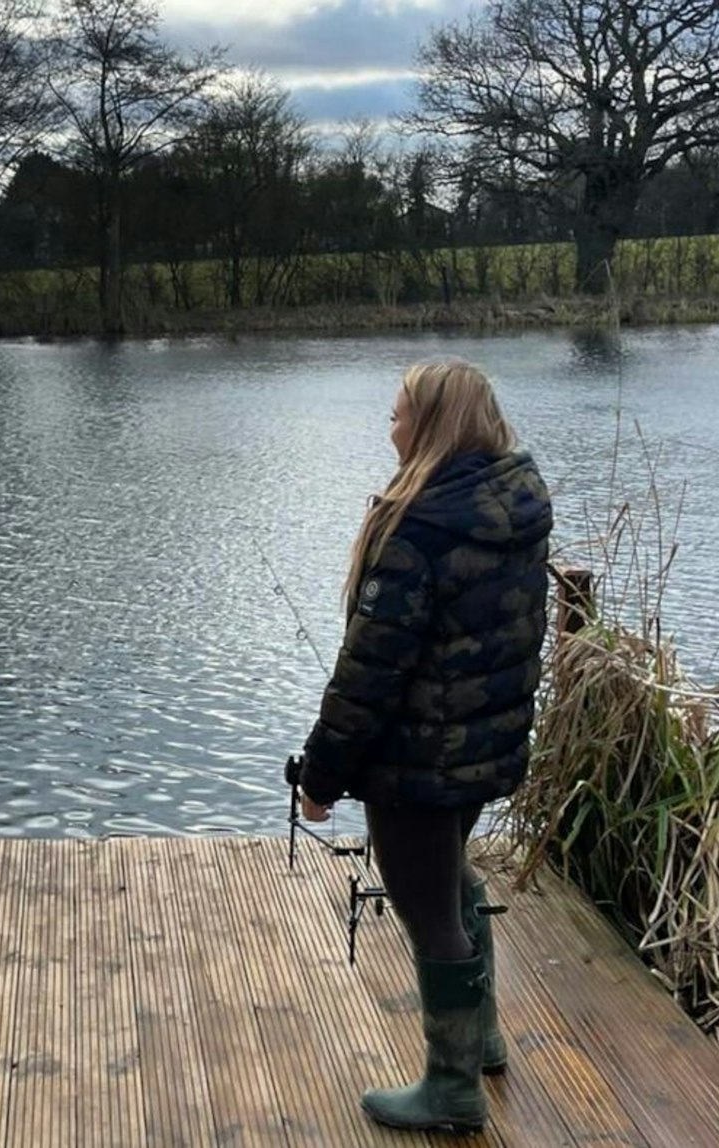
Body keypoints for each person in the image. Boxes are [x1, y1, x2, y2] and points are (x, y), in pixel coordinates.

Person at [296, 360, 552, 1134]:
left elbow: (371, 672)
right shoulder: (511, 505)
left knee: (427, 907)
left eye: (401, 413)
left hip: (418, 759)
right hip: (481, 748)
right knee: (454, 879)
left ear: (434, 424)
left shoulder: (419, 527)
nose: (392, 426)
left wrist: (321, 775)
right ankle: (483, 1041)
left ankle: (452, 1089)